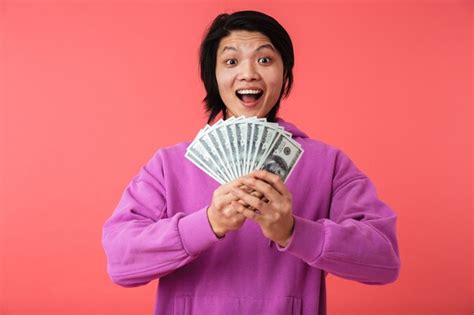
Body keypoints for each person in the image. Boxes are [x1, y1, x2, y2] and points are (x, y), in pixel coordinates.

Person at [102, 10, 400, 315]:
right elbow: (121, 261)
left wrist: (294, 231)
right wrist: (208, 224)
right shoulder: (169, 165)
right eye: (231, 61)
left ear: (285, 73)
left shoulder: (328, 164)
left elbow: (384, 260)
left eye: (265, 60)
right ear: (213, 76)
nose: (249, 74)